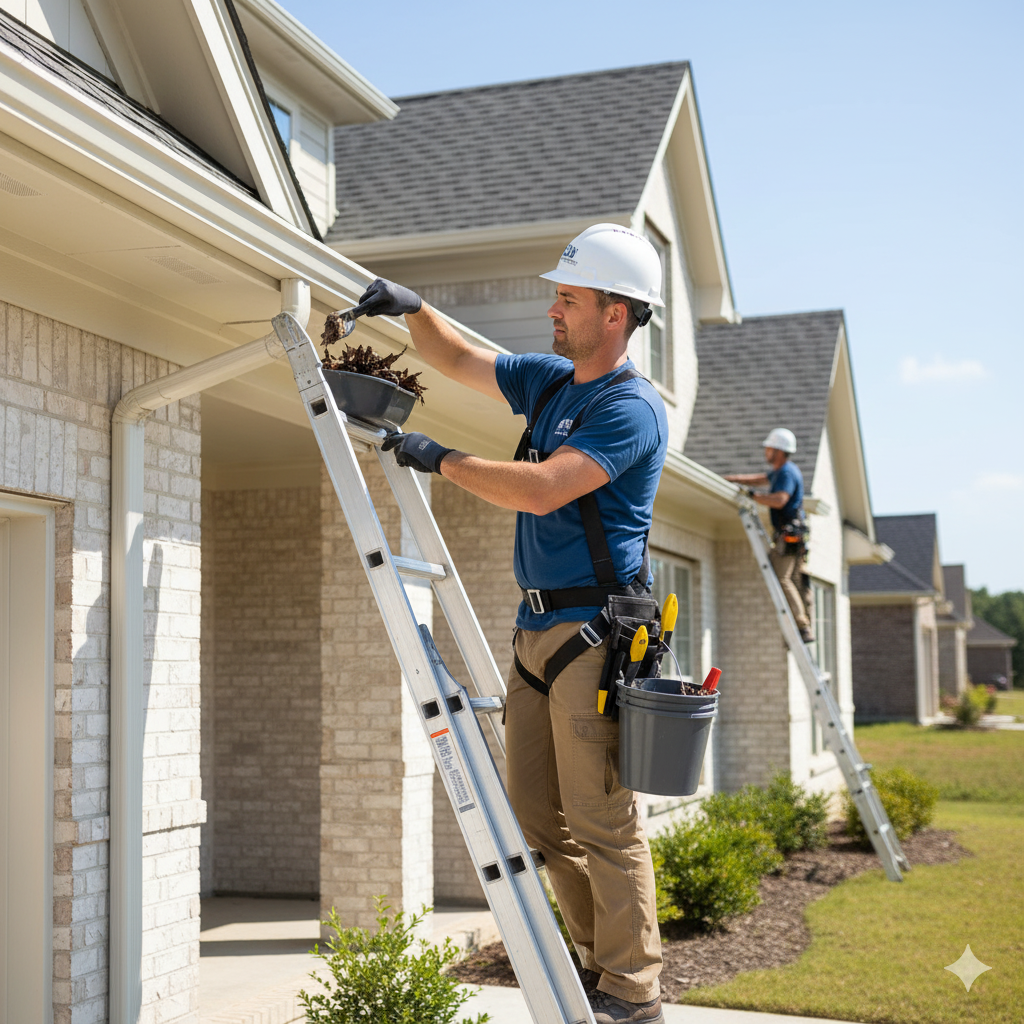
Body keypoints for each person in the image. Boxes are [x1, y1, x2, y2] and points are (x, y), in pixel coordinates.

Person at [352, 223, 669, 1024]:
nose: (552, 308)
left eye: (568, 297)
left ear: (617, 314)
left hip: (598, 636)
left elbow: (542, 488)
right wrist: (413, 308)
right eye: (556, 294)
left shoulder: (631, 409)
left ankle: (635, 992)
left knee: (604, 821)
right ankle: (600, 964)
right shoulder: (552, 383)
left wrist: (440, 458)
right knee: (534, 820)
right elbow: (460, 361)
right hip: (534, 633)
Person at [725, 428, 813, 642]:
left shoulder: (786, 473)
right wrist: (731, 479)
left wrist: (753, 496)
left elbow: (780, 499)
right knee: (796, 580)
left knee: (782, 578)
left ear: (780, 451)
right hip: (795, 536)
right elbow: (758, 479)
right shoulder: (781, 472)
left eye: (770, 448)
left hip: (789, 535)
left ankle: (801, 626)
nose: (766, 451)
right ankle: (804, 627)